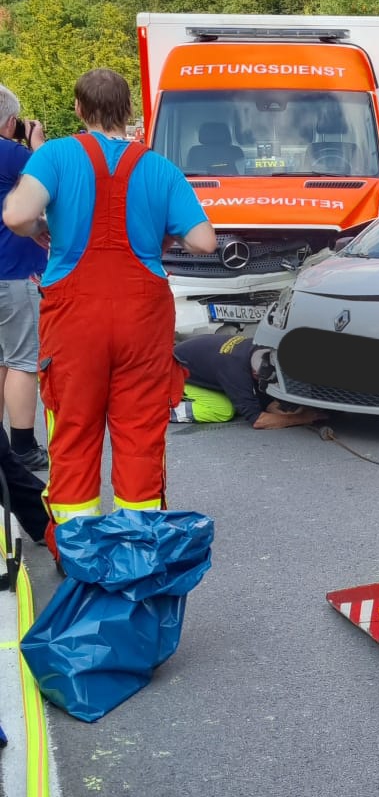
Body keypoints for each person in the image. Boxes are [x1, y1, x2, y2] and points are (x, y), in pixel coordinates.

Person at [2, 68, 217, 553]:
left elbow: (15, 215)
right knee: (140, 431)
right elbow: (204, 240)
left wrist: (38, 223)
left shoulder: (56, 155)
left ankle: (77, 555)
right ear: (127, 110)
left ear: (79, 109)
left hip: (74, 318)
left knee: (74, 430)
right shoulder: (160, 167)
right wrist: (163, 232)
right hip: (144, 318)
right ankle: (138, 550)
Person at [0, 86, 49, 472]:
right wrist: (36, 143)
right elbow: (48, 186)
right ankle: (22, 447)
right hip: (13, 270)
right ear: (11, 121)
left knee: (1, 358)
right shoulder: (15, 156)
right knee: (22, 361)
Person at [172, 327, 322, 429]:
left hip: (196, 362)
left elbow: (267, 400)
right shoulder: (235, 372)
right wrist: (302, 418)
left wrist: (294, 410)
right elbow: (258, 421)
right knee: (223, 410)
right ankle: (162, 410)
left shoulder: (260, 349)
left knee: (245, 399)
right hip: (171, 374)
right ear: (255, 374)